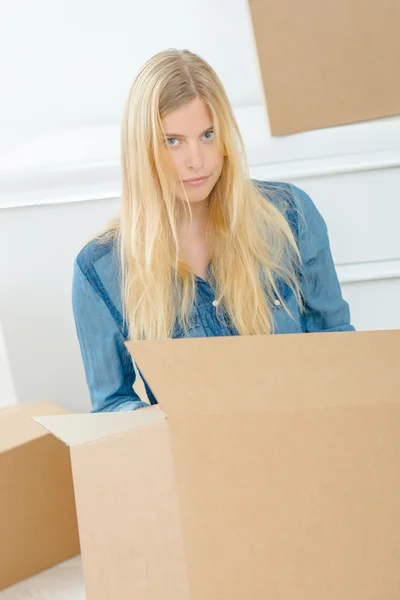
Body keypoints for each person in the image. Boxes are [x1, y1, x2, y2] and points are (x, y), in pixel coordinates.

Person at [72, 49, 355, 413]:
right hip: (196, 460)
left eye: (207, 135)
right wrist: (177, 420)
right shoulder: (101, 268)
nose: (196, 160)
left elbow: (338, 347)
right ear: (142, 150)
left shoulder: (290, 215)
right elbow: (111, 404)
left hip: (307, 444)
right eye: (172, 141)